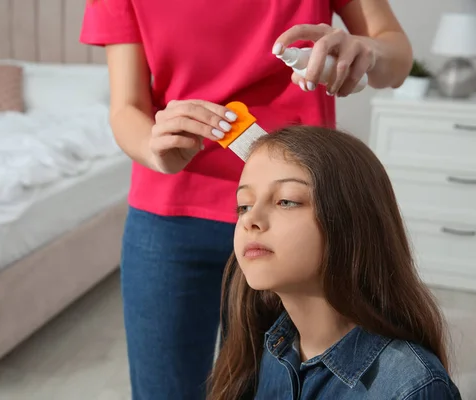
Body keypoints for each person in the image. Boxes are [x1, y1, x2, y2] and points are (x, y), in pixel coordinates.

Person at [80, 0, 412, 398]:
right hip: (169, 218)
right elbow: (127, 107)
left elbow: (397, 56)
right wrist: (155, 151)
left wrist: (369, 52)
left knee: (279, 387)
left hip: (296, 215)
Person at [208, 126, 462, 400]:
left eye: (286, 201)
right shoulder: (262, 349)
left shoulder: (411, 387)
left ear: (351, 222)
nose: (250, 220)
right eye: (243, 205)